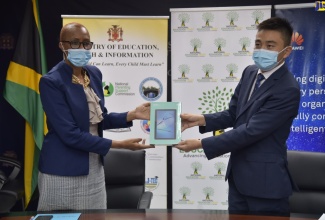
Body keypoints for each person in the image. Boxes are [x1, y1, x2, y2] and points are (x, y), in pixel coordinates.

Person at [174, 17, 300, 216]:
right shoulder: (250, 73)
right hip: (238, 180)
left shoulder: (288, 89)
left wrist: (201, 144)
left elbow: (251, 131)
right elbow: (234, 114)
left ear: (286, 51)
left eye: (270, 45)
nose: (261, 50)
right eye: (258, 44)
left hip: (266, 187)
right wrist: (201, 120)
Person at [37, 22, 154, 211]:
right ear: (62, 46)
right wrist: (120, 145)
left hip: (95, 169)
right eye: (75, 43)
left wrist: (132, 115)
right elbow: (70, 134)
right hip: (63, 171)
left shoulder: (94, 73)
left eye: (86, 43)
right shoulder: (51, 81)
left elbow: (98, 119)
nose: (82, 48)